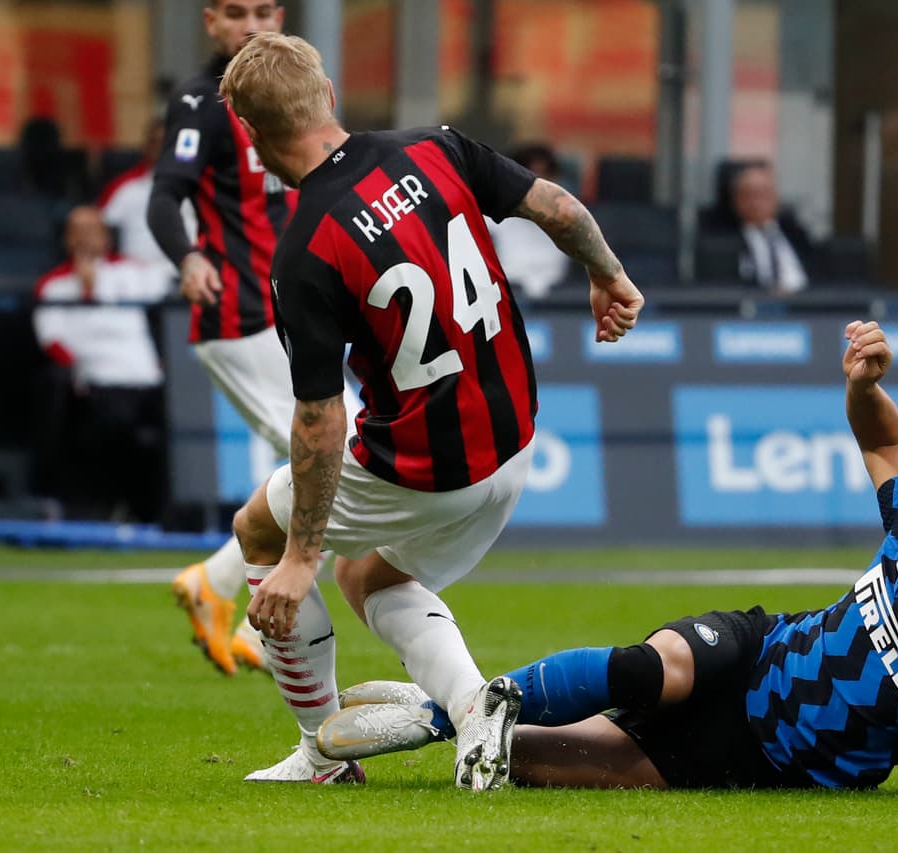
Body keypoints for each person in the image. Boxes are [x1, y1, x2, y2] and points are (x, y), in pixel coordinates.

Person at [320, 320, 898, 805]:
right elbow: (883, 443)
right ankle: (448, 706)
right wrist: (866, 385)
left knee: (532, 763)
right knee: (651, 669)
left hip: (752, 756)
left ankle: (446, 721)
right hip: (752, 649)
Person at [217, 33, 644, 788]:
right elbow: (558, 206)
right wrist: (608, 275)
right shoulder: (435, 147)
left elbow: (321, 420)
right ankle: (476, 710)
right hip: (513, 445)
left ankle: (322, 754)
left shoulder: (306, 250)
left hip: (422, 466)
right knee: (371, 579)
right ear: (330, 99)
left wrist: (297, 557)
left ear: (252, 136)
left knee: (258, 529)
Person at [147, 0, 361, 677]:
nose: (254, 25)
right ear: (210, 22)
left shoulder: (288, 94)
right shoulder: (200, 103)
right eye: (237, 13)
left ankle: (217, 586)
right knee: (332, 453)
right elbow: (164, 194)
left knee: (317, 459)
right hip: (237, 310)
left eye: (266, 10)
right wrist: (188, 256)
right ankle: (243, 605)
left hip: (284, 306)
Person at [33, 207, 173, 522]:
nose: (86, 237)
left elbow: (172, 287)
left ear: (107, 235)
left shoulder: (133, 272)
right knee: (110, 423)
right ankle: (105, 508)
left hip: (146, 376)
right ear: (66, 238)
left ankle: (158, 512)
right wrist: (85, 291)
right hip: (98, 380)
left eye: (93, 229)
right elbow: (52, 341)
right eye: (77, 230)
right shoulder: (53, 284)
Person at [100, 117, 197, 278]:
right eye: (154, 141)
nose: (159, 147)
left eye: (165, 141)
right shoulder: (124, 187)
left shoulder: (199, 182)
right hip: (135, 279)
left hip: (192, 271)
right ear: (145, 145)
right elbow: (99, 232)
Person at [700, 161, 813, 293]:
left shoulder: (796, 234)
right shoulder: (722, 243)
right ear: (736, 200)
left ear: (776, 197)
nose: (757, 203)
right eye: (750, 195)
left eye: (765, 194)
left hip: (805, 306)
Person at [487, 143, 570, 300]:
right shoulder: (490, 218)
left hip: (561, 300)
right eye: (530, 177)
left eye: (545, 177)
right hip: (506, 295)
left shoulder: (571, 217)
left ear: (556, 179)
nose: (537, 187)